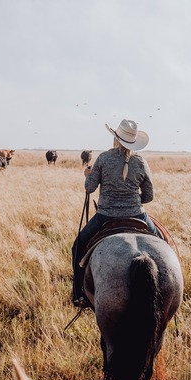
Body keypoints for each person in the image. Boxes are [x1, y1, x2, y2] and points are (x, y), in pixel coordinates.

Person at [71, 119, 162, 308]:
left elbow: (90, 188)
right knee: (162, 244)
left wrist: (88, 175)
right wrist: (133, 201)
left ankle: (79, 294)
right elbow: (149, 195)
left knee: (78, 246)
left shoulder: (104, 158)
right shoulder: (141, 162)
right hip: (137, 214)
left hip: (106, 216)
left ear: (115, 139)